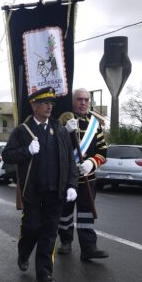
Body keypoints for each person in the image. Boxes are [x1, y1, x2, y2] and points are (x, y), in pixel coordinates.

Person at [2, 87, 78, 282]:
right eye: (44, 103)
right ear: (34, 105)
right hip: (33, 190)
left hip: (56, 191)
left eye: (51, 103)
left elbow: (70, 161)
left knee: (49, 232)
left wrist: (71, 185)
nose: (49, 106)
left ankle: (44, 272)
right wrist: (26, 151)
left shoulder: (60, 130)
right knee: (32, 227)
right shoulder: (22, 130)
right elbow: (7, 156)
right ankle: (24, 252)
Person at [57, 88, 109, 260]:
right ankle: (66, 241)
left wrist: (91, 163)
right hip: (66, 179)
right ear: (73, 101)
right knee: (65, 213)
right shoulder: (64, 120)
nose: (83, 103)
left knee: (86, 213)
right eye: (80, 99)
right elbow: (55, 149)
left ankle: (88, 248)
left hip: (88, 177)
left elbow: (102, 151)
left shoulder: (95, 124)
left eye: (86, 100)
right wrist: (64, 131)